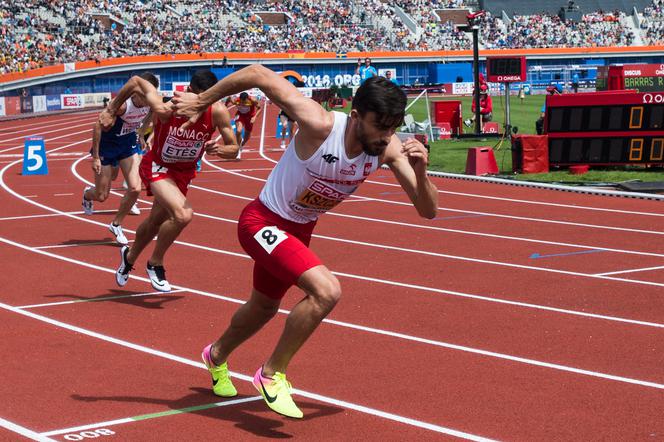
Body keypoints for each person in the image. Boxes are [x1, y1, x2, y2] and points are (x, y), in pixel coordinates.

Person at [173, 65, 438, 419]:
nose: (387, 135)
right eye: (381, 125)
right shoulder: (320, 125)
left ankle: (216, 355)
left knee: (264, 308)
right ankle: (271, 374)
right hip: (261, 222)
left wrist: (420, 171)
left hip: (298, 230)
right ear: (357, 116)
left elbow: (427, 210)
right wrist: (203, 101)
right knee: (326, 291)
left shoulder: (386, 149)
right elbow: (258, 74)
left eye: (394, 126)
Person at [102, 70, 239, 292]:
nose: (203, 105)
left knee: (155, 222)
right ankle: (155, 262)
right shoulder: (166, 107)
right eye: (199, 100)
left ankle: (130, 255)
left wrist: (221, 149)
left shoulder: (218, 111)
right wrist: (110, 109)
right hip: (158, 166)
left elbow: (234, 149)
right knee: (183, 215)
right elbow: (137, 82)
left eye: (209, 99)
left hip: (183, 173)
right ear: (189, 92)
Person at [82, 72, 158, 244]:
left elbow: (149, 118)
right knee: (102, 195)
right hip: (107, 147)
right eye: (145, 97)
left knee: (135, 188)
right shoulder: (123, 106)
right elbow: (97, 126)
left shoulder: (151, 103)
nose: (149, 101)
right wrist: (95, 157)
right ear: (137, 93)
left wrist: (140, 134)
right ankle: (87, 194)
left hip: (127, 145)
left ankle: (116, 224)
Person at [225, 91, 261, 158]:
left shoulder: (253, 100)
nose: (243, 103)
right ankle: (238, 148)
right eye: (241, 102)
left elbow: (259, 108)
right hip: (240, 115)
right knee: (238, 131)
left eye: (244, 102)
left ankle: (241, 145)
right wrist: (225, 105)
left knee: (247, 136)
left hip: (250, 117)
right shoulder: (236, 100)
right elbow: (229, 98)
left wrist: (255, 117)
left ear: (247, 98)